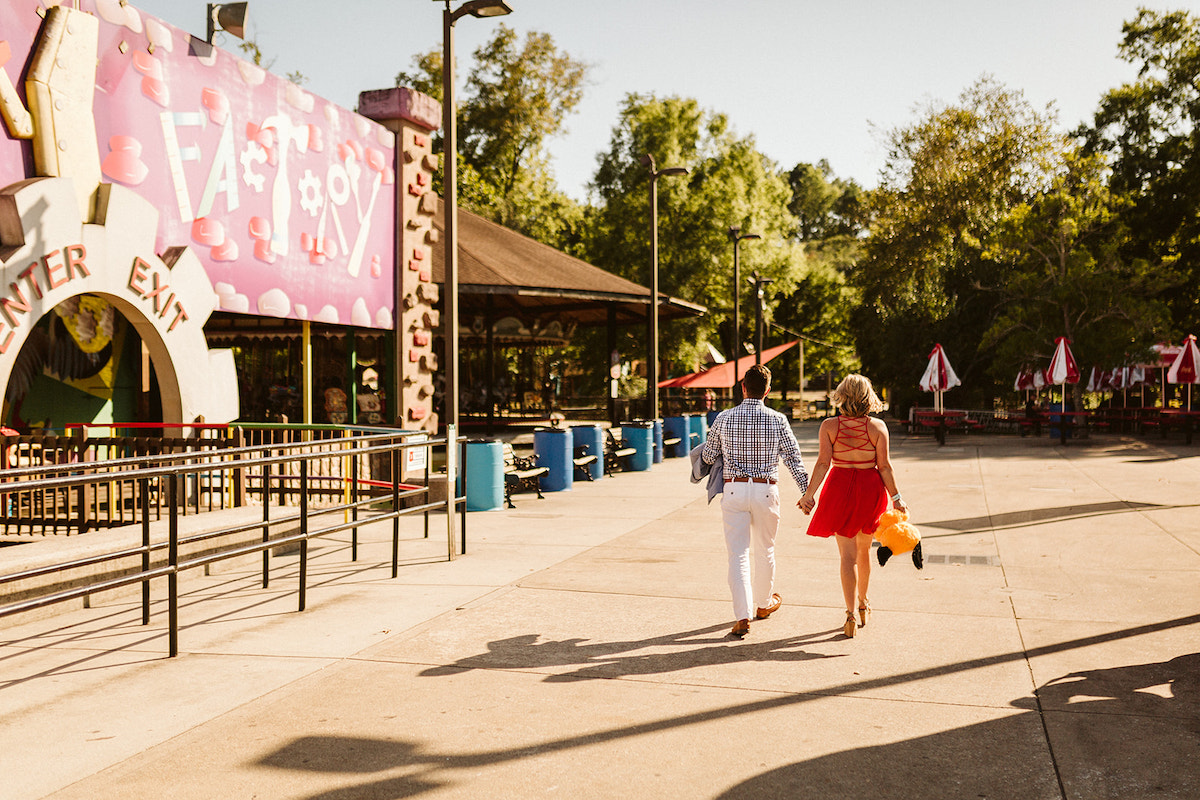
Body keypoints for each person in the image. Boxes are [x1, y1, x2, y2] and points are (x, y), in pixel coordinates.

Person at [701, 364, 810, 638]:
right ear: (768, 391)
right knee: (766, 549)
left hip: (735, 490)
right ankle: (763, 605)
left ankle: (742, 615)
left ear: (743, 388)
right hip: (766, 490)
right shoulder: (778, 420)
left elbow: (708, 457)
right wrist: (807, 492)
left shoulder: (724, 418)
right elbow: (793, 459)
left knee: (737, 554)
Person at [798, 374, 907, 639]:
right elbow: (884, 466)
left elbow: (823, 463)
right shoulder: (878, 427)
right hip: (870, 489)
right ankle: (863, 603)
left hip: (839, 487)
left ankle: (848, 615)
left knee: (846, 557)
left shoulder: (829, 426)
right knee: (864, 552)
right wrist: (897, 498)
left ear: (842, 396)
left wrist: (809, 495)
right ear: (868, 396)